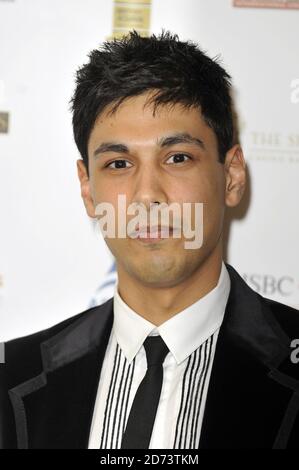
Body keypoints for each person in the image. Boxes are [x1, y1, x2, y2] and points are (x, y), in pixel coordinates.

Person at [1, 30, 299, 450]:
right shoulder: (12, 374)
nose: (146, 196)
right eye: (119, 163)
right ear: (88, 189)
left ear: (231, 176)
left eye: (177, 158)